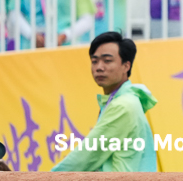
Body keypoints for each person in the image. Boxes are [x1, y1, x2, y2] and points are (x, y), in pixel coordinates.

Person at [49, 33, 155, 172]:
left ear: (126, 66)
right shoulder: (124, 100)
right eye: (94, 61)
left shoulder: (123, 105)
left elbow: (85, 157)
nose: (99, 67)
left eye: (107, 61)